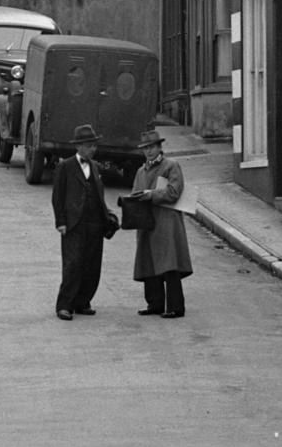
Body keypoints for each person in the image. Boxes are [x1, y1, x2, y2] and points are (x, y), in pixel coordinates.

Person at [49, 123, 117, 319]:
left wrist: (107, 215)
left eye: (94, 145)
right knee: (73, 264)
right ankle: (64, 305)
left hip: (95, 222)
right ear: (78, 146)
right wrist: (60, 222)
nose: (93, 149)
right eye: (89, 145)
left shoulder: (95, 167)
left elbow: (99, 195)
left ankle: (83, 301)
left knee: (92, 264)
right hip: (73, 223)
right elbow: (57, 197)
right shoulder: (65, 166)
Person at [127, 126, 192, 317]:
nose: (148, 151)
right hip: (147, 221)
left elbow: (174, 192)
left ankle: (175, 306)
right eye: (145, 148)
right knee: (149, 261)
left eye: (152, 147)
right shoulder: (140, 171)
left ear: (159, 147)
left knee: (168, 262)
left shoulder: (171, 166)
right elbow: (135, 192)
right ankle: (154, 304)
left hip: (166, 221)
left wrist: (151, 195)